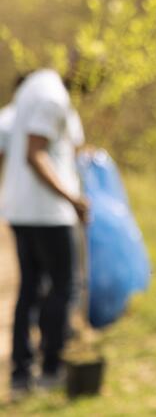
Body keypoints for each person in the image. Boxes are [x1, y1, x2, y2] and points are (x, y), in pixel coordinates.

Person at [1, 66, 89, 395]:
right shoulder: (52, 97)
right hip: (49, 213)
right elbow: (34, 153)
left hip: (20, 210)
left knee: (30, 288)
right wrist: (74, 199)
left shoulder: (29, 93)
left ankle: (20, 374)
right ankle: (51, 368)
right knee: (64, 287)